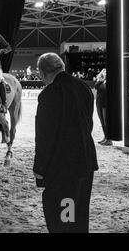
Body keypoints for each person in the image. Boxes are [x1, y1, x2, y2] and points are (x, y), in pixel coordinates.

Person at [33, 53, 99, 233]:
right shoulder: (84, 87)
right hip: (86, 161)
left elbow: (45, 137)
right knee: (79, 214)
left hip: (64, 168)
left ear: (43, 73)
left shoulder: (50, 93)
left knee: (63, 218)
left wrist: (39, 168)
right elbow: (88, 124)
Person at [94, 69, 112, 146]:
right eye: (103, 72)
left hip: (106, 105)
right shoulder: (100, 81)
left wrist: (103, 80)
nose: (103, 73)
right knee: (102, 122)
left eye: (105, 72)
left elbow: (105, 89)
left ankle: (109, 139)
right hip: (99, 104)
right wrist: (100, 79)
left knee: (106, 122)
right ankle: (105, 137)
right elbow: (96, 87)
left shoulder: (109, 82)